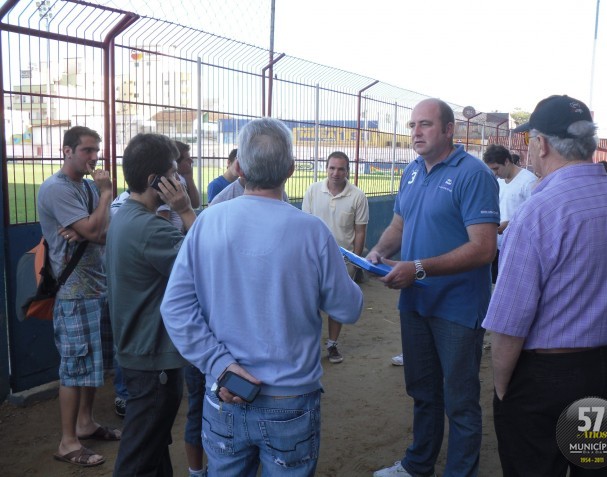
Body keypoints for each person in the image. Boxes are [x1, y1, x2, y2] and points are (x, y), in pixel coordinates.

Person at [161, 117, 363, 476]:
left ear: (239, 168)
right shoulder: (312, 232)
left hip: (226, 392)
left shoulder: (208, 222)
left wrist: (219, 364)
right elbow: (348, 308)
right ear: (290, 169)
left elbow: (175, 308)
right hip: (291, 400)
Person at [483, 95, 607, 477]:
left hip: (549, 376)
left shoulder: (538, 212)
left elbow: (508, 323)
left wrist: (503, 391)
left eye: (530, 140)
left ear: (543, 144)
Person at [369, 98, 500, 477]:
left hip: (457, 308)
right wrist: (378, 251)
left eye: (425, 125)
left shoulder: (473, 174)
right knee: (423, 392)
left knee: (460, 401)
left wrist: (419, 268)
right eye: (412, 126)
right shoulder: (411, 170)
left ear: (448, 130)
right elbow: (399, 224)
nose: (415, 133)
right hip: (415, 303)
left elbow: (484, 248)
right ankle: (418, 464)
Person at [105, 133, 197, 476]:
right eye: (174, 174)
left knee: (154, 446)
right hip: (152, 357)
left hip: (141, 353)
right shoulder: (150, 230)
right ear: (152, 181)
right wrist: (185, 210)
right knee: (138, 456)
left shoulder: (126, 217)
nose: (180, 180)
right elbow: (209, 264)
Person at [38, 125, 120, 468]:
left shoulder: (84, 187)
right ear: (66, 151)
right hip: (73, 294)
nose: (94, 157)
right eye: (87, 150)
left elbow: (106, 231)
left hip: (96, 288)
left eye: (96, 151)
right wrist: (104, 196)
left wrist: (91, 226)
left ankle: (85, 424)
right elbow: (97, 230)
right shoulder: (57, 189)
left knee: (92, 365)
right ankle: (68, 441)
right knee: (74, 367)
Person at [302, 151, 369, 363]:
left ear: (347, 171)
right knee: (308, 302)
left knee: (336, 304)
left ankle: (332, 345)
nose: (336, 173)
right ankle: (310, 346)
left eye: (341, 169)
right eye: (332, 168)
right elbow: (304, 227)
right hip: (312, 259)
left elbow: (360, 231)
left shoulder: (358, 196)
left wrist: (356, 261)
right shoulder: (313, 191)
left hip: (343, 261)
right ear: (326, 168)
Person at [482, 144, 536, 283]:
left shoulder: (528, 181)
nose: (494, 173)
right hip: (497, 245)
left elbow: (533, 215)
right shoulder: (499, 182)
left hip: (516, 247)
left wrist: (509, 224)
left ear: (507, 161)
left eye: (496, 168)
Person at [157, 140, 201, 231]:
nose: (191, 161)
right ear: (176, 162)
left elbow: (196, 204)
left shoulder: (182, 179)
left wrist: (189, 178)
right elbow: (164, 224)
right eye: (187, 159)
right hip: (175, 237)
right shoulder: (167, 184)